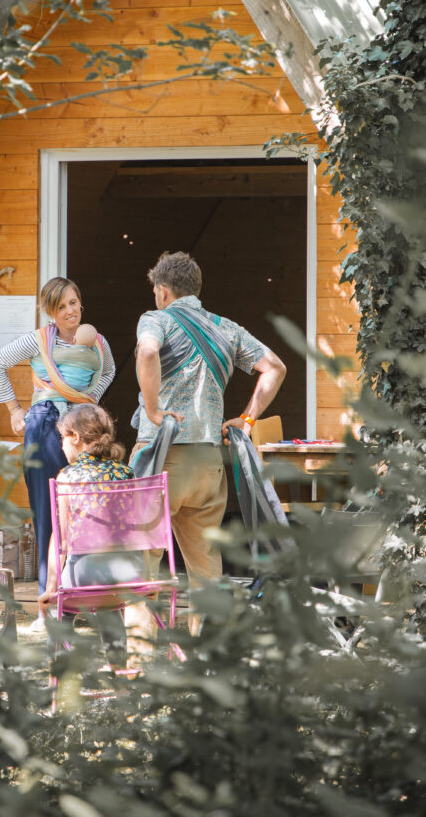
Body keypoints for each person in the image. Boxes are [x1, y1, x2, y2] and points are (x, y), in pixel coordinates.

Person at [127, 251, 286, 644]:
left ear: (162, 291)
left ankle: (143, 656)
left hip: (161, 456)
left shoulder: (156, 319)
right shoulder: (226, 328)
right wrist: (247, 418)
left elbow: (147, 351)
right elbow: (275, 367)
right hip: (208, 461)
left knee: (141, 559)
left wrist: (151, 409)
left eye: (155, 292)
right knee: (205, 566)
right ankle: (207, 652)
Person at [0, 278, 115, 628]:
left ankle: (81, 602)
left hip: (83, 429)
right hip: (44, 424)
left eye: (74, 302)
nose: (71, 310)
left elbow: (111, 372)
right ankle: (51, 607)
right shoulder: (39, 340)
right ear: (50, 312)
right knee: (48, 513)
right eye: (62, 306)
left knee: (86, 513)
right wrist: (14, 409)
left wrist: (88, 398)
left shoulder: (97, 342)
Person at [38, 403, 143, 668]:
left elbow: (59, 537)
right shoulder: (126, 473)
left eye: (62, 438)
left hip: (85, 574)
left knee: (60, 608)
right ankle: (120, 675)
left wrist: (51, 587)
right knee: (109, 604)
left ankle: (61, 678)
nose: (61, 445)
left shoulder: (68, 477)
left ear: (75, 437)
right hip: (128, 574)